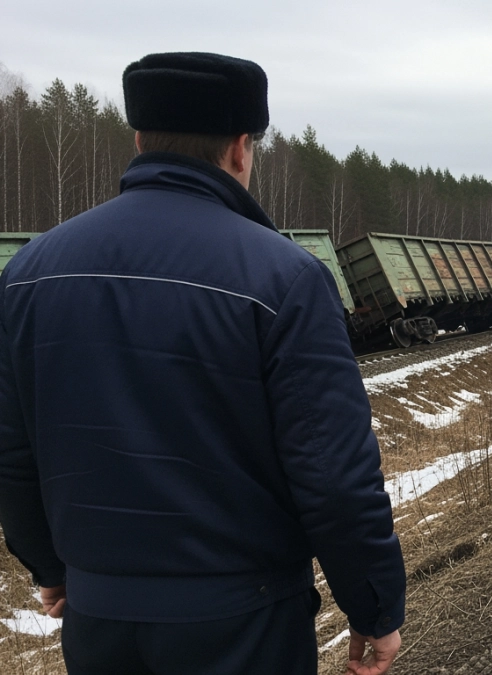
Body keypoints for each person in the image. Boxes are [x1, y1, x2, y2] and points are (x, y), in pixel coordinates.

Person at [0, 52, 405, 675]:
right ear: (241, 149)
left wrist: (50, 568)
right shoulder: (285, 278)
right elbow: (332, 476)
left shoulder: (29, 273)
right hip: (243, 624)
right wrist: (373, 607)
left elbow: (14, 449)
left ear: (139, 138)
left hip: (98, 618)